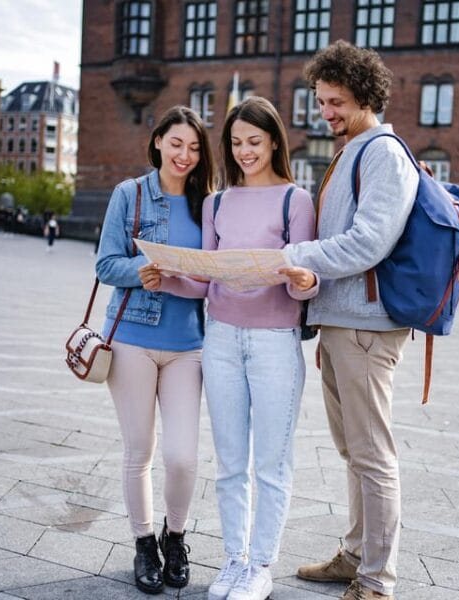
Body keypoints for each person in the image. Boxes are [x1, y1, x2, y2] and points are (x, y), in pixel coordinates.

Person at [141, 96, 318, 600]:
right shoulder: (217, 202)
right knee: (230, 462)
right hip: (219, 338)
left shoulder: (295, 201)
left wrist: (304, 278)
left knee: (272, 463)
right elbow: (206, 281)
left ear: (275, 142)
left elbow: (306, 283)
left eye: (255, 142)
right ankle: (234, 560)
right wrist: (169, 277)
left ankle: (261, 566)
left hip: (274, 342)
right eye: (237, 143)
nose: (244, 152)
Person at [278, 40, 420, 600]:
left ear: (365, 96)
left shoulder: (382, 152)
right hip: (345, 325)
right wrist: (325, 317)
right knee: (354, 452)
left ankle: (377, 581)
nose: (326, 112)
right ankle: (357, 555)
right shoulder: (352, 149)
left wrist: (294, 258)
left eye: (335, 101)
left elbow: (367, 243)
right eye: (320, 101)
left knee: (373, 454)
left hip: (366, 328)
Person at [95, 106, 216, 595]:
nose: (184, 155)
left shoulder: (208, 204)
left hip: (188, 344)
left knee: (183, 456)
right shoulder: (129, 195)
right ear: (158, 142)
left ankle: (176, 536)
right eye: (176, 144)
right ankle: (144, 542)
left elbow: (215, 275)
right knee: (139, 451)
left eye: (193, 147)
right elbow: (105, 263)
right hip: (132, 341)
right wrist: (138, 272)